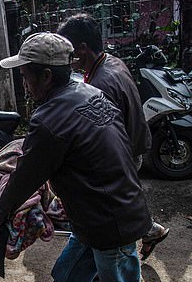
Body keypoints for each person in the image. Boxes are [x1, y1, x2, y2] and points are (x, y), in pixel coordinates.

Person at [0, 32, 185, 282]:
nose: (24, 82)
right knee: (66, 276)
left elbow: (28, 173)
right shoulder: (90, 93)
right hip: (97, 213)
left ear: (46, 75)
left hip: (109, 220)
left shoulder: (50, 118)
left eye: (25, 75)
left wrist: (1, 210)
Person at [57, 14, 168, 260]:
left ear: (83, 49)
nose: (67, 57)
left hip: (125, 150)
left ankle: (113, 259)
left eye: (69, 50)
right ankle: (150, 232)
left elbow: (100, 138)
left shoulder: (100, 84)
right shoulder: (112, 63)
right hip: (135, 141)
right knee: (124, 201)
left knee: (110, 208)